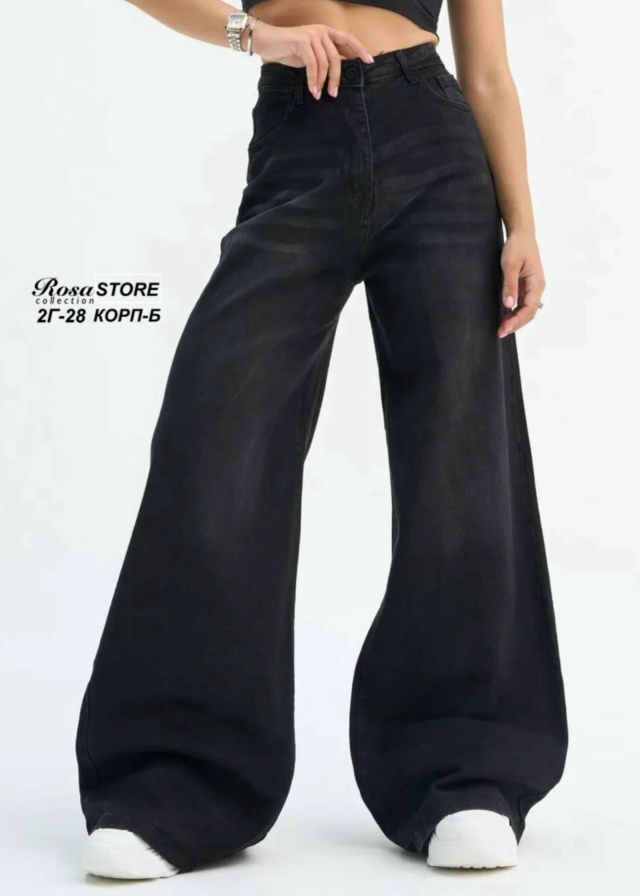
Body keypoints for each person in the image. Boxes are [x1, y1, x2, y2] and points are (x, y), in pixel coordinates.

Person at [76, 0, 569, 879]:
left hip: (439, 147)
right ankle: (175, 779)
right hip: (298, 135)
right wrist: (252, 35)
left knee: (461, 458)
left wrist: (522, 222)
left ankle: (465, 772)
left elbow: (489, 72)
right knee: (214, 441)